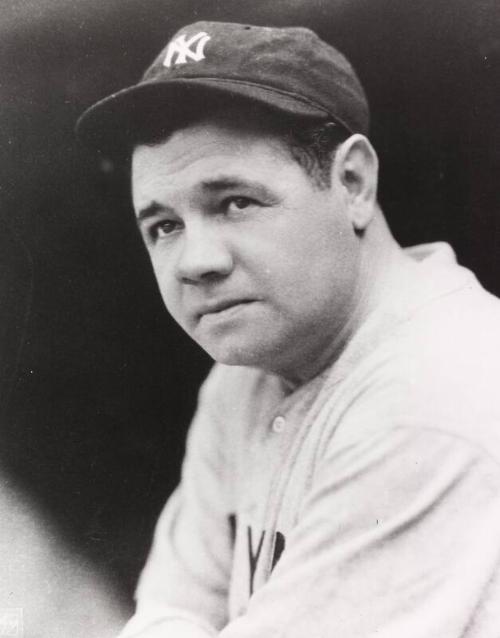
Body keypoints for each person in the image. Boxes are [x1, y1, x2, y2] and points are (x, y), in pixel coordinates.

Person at [77, 21, 500, 638]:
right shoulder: (242, 379)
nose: (197, 261)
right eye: (164, 226)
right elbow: (171, 610)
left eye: (235, 202)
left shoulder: (436, 389)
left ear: (352, 183)